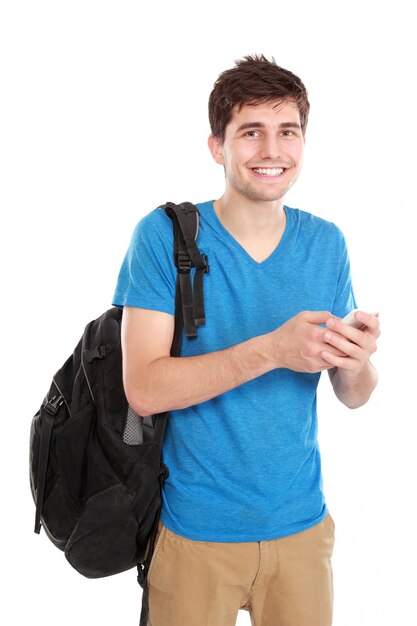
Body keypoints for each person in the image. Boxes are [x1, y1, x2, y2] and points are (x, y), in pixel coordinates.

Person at [112, 55, 380, 626]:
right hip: (195, 532)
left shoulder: (327, 243)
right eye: (250, 132)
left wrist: (358, 361)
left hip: (303, 530)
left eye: (288, 132)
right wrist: (272, 350)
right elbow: (143, 389)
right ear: (218, 146)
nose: (271, 150)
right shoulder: (163, 236)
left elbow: (353, 394)